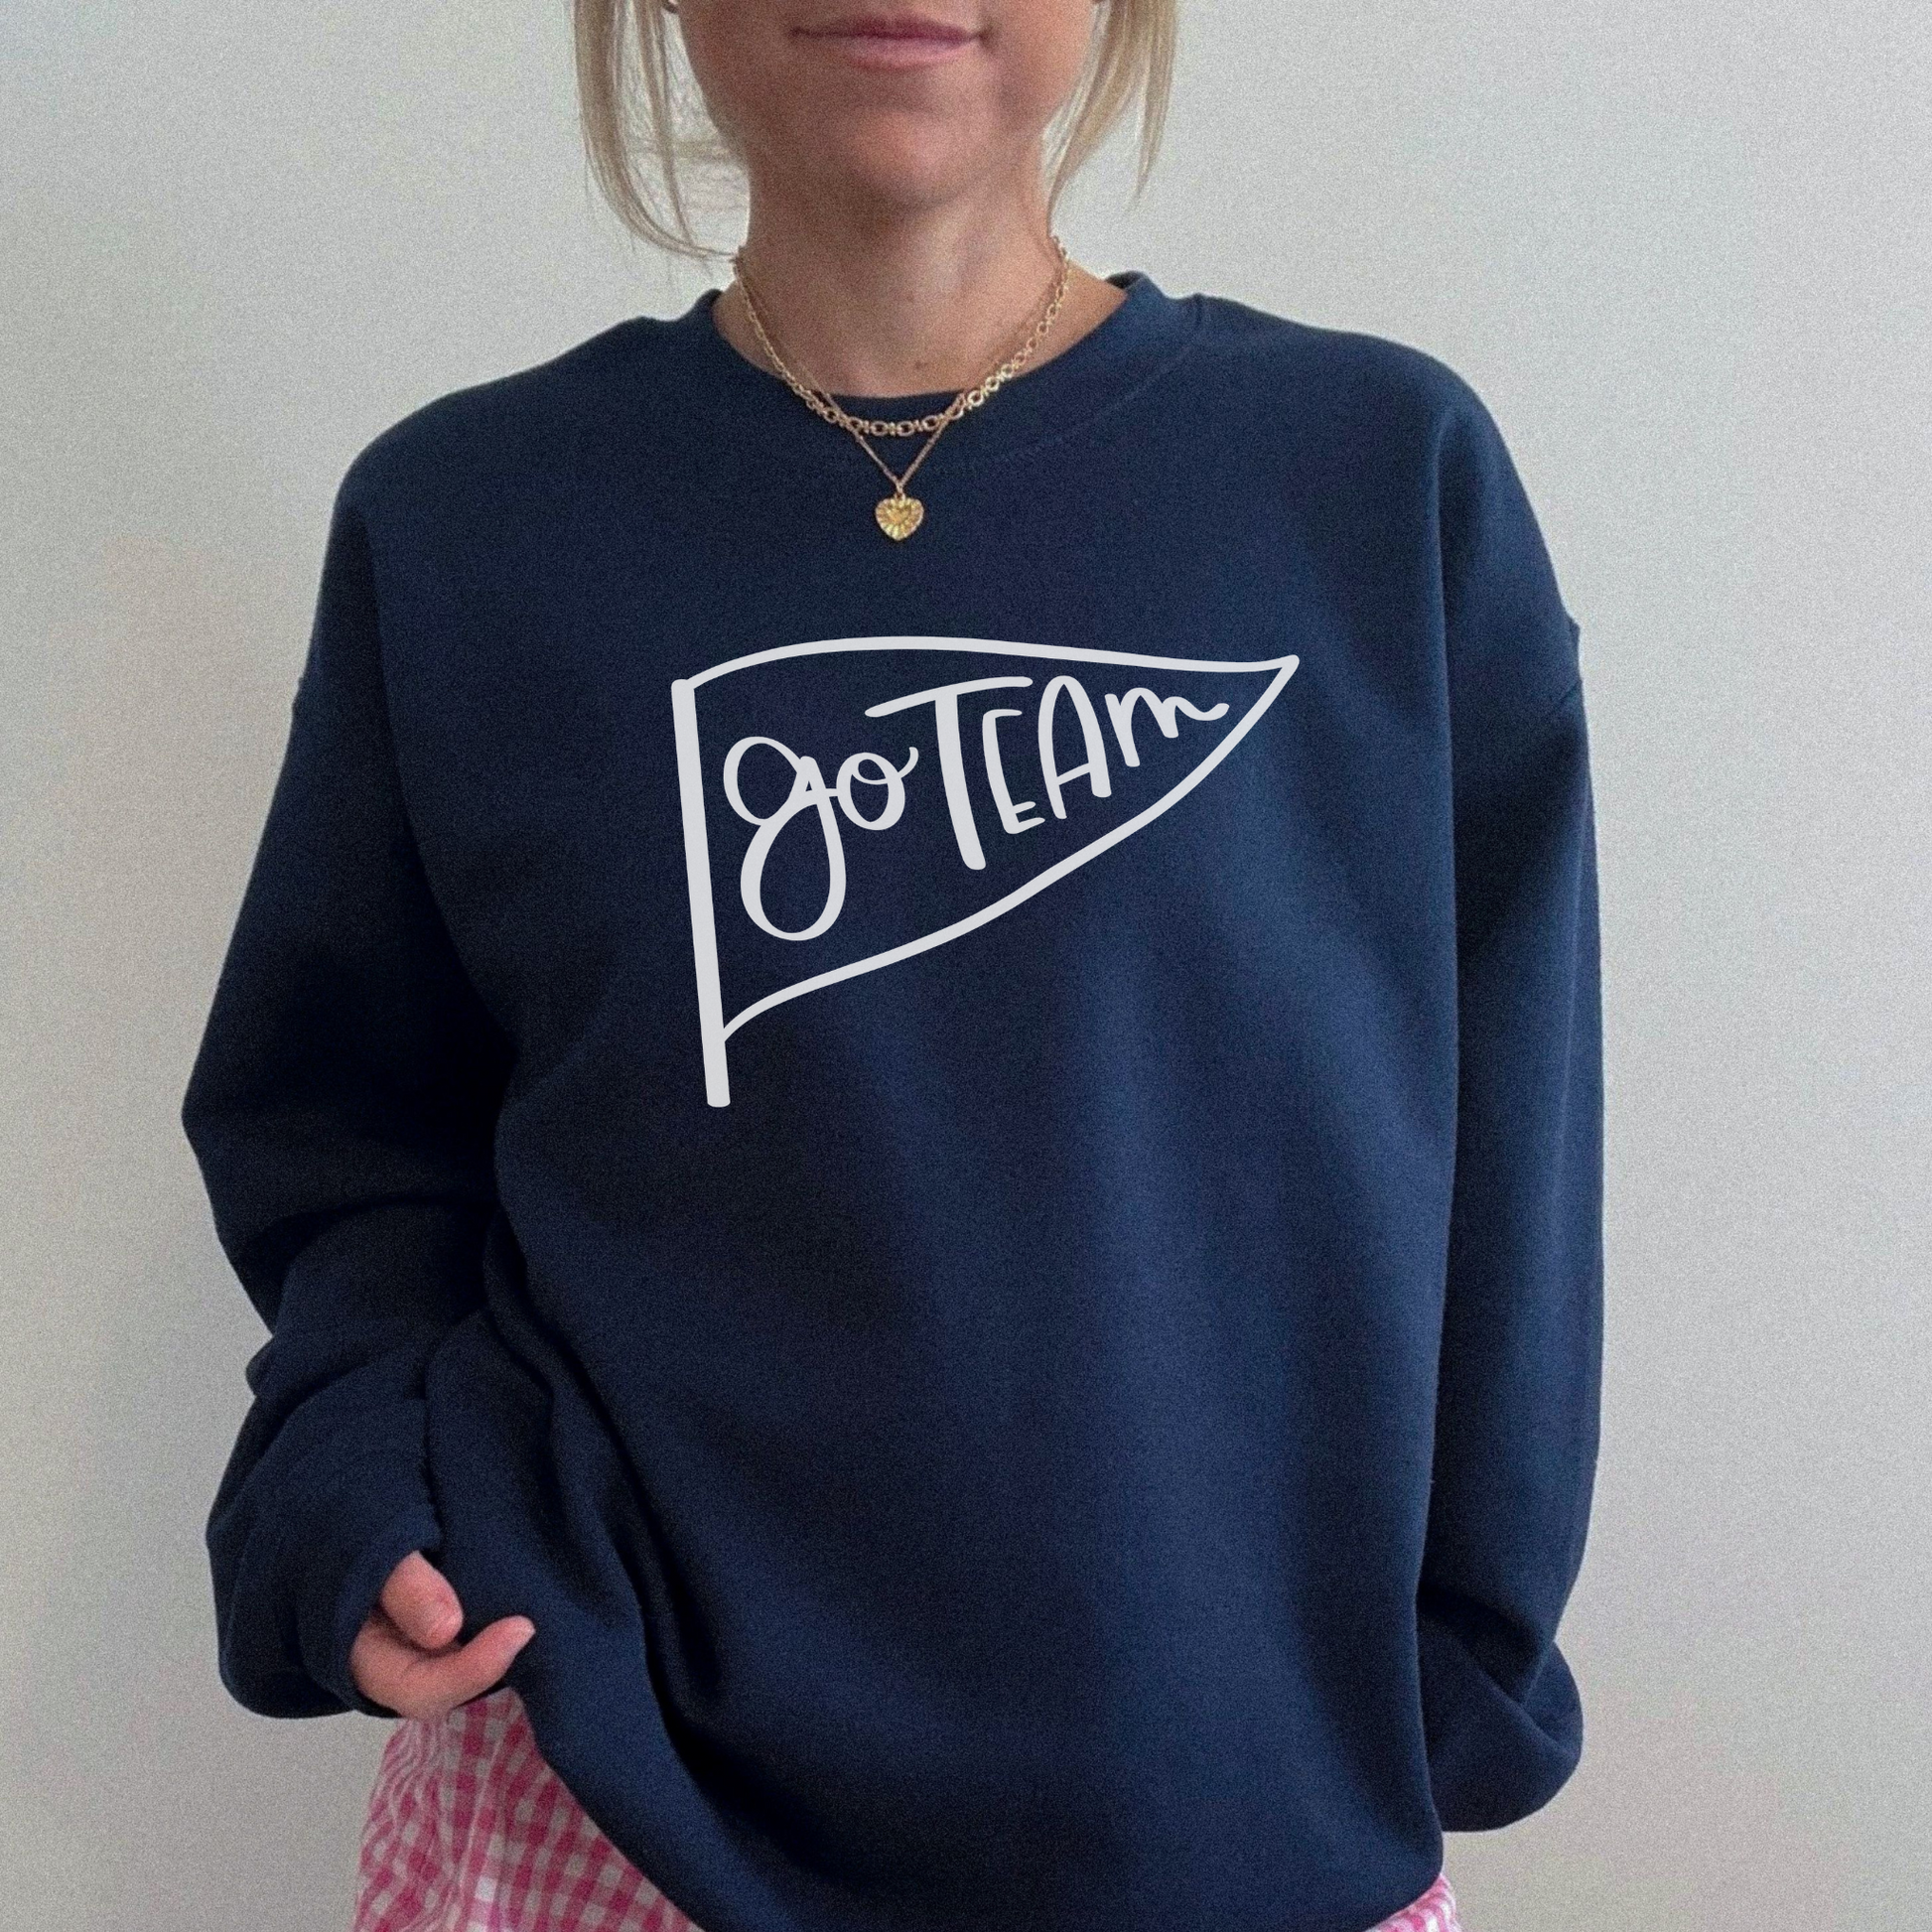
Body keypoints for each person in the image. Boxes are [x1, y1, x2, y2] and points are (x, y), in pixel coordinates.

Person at [179, 1, 1603, 1928]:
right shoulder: (464, 521)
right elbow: (348, 1128)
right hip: (606, 1802)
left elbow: (1517, 1140)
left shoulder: (1372, 479)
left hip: (1237, 1816)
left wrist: (1452, 1668)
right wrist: (358, 1485)